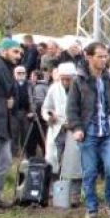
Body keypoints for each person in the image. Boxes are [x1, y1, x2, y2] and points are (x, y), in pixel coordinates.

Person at [66, 42, 110, 218]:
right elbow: (72, 108)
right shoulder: (79, 80)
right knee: (90, 171)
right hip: (88, 131)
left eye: (105, 56)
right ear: (88, 57)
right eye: (99, 56)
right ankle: (91, 208)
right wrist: (77, 128)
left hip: (109, 130)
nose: (103, 59)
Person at [41, 63, 82, 206]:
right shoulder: (54, 88)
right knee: (55, 161)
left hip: (75, 130)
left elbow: (87, 110)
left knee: (75, 163)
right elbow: (46, 107)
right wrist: (49, 116)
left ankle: (74, 194)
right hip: (57, 129)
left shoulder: (82, 88)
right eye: (63, 79)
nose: (65, 82)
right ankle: (56, 192)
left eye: (68, 79)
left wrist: (74, 123)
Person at [0, 39, 22, 207]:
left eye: (20, 53)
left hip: (3, 122)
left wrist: (10, 100)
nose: (19, 56)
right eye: (15, 52)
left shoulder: (8, 68)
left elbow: (12, 94)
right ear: (4, 51)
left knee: (5, 162)